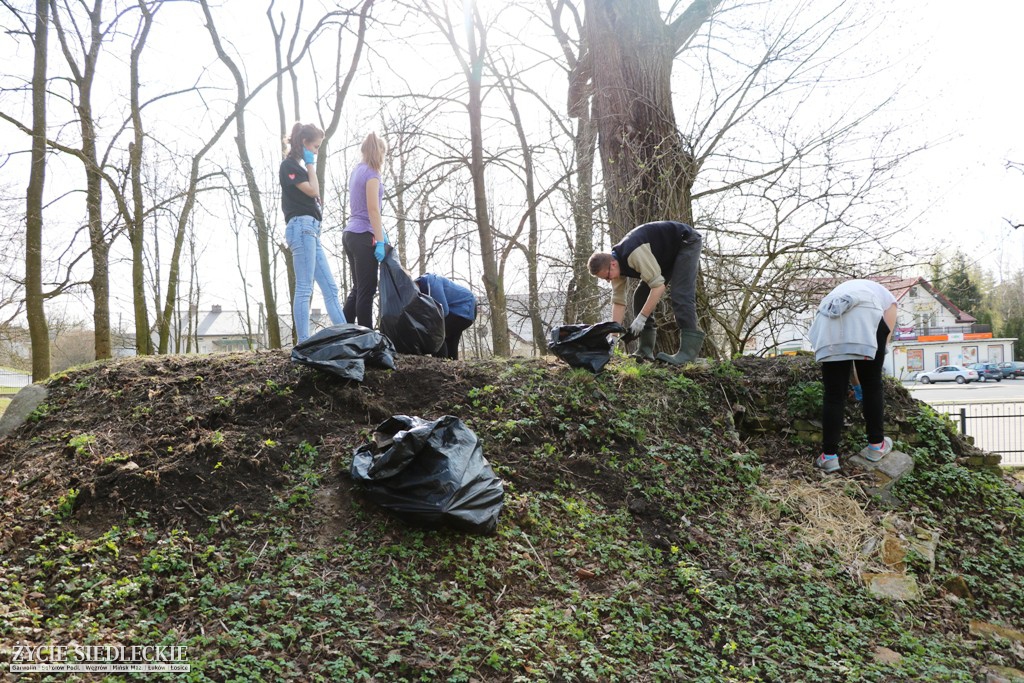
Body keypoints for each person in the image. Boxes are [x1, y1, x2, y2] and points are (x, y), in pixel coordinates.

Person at [808, 278, 899, 473]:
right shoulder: (889, 299)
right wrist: (862, 385)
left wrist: (855, 383)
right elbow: (880, 346)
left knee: (833, 394)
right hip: (866, 312)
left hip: (828, 316)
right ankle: (876, 446)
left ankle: (829, 457)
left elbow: (846, 355)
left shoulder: (839, 292)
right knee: (873, 384)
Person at [587, 220, 703, 364]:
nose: (608, 281)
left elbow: (658, 287)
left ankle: (688, 354)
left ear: (612, 264)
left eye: (607, 277)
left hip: (685, 242)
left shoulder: (634, 253)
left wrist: (641, 318)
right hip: (665, 256)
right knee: (640, 296)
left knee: (681, 294)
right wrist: (614, 336)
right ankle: (645, 350)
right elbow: (618, 302)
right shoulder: (615, 266)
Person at [280, 122, 346, 343]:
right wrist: (311, 165)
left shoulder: (298, 167)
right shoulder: (289, 166)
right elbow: (313, 190)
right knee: (305, 287)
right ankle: (304, 343)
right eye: (315, 147)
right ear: (304, 143)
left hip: (312, 231)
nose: (317, 151)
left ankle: (347, 336)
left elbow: (315, 193)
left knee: (331, 288)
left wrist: (309, 166)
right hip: (301, 228)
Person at [343, 133, 388, 328]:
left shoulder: (357, 170)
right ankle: (366, 338)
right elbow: (372, 209)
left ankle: (342, 330)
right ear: (379, 153)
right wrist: (380, 240)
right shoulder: (372, 174)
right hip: (363, 235)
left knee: (358, 288)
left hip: (350, 234)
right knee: (367, 290)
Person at [415, 273, 476, 360]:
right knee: (450, 341)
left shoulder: (431, 282)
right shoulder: (424, 287)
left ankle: (440, 364)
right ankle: (452, 367)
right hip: (463, 310)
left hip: (465, 309)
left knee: (436, 333)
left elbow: (443, 311)